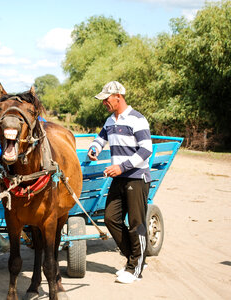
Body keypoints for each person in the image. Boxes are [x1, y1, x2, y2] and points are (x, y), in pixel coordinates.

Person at [87, 81, 152, 284]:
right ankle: (134, 258)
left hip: (136, 177)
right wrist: (94, 149)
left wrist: (121, 167)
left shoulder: (137, 119)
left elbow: (146, 150)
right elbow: (100, 139)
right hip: (119, 178)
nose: (104, 102)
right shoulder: (109, 121)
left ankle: (136, 270)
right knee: (110, 218)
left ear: (118, 97)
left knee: (136, 224)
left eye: (107, 99)